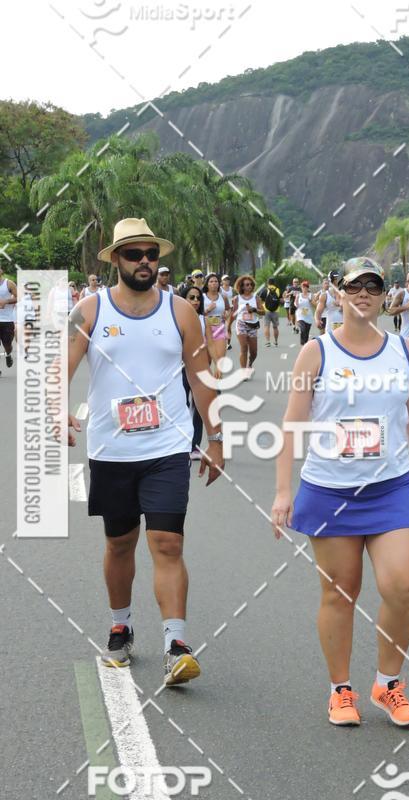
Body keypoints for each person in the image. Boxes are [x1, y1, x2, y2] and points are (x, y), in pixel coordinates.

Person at [271, 256, 409, 727]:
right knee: (341, 594)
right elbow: (292, 425)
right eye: (354, 285)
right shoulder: (317, 352)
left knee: (402, 586)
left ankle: (388, 684)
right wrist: (284, 492)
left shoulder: (402, 350)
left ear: (385, 296)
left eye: (373, 286)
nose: (364, 293)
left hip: (390, 489)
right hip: (330, 491)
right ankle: (340, 690)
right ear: (339, 293)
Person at [67, 218, 225, 684]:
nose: (144, 262)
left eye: (151, 254)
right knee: (119, 542)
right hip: (111, 448)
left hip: (168, 445)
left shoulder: (180, 312)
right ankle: (121, 626)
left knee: (167, 542)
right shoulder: (89, 309)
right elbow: (61, 364)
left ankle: (176, 644)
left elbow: (200, 377)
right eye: (133, 254)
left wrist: (215, 437)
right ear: (115, 259)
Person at [180, 285, 210, 460]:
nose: (196, 301)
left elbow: (214, 341)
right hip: (178, 370)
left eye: (198, 298)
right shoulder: (174, 319)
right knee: (181, 407)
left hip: (199, 369)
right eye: (191, 297)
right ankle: (180, 443)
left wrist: (217, 365)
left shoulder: (205, 319)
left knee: (198, 407)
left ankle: (195, 446)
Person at [229, 274, 265, 374]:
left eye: (250, 284)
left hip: (253, 325)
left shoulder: (256, 298)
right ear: (242, 286)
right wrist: (228, 327)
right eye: (246, 284)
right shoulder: (237, 298)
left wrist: (254, 310)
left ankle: (250, 363)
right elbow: (234, 314)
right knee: (244, 347)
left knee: (254, 352)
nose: (249, 286)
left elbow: (263, 312)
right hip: (241, 324)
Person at [203, 273, 230, 377]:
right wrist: (207, 310)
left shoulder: (223, 296)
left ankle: (217, 386)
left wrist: (226, 315)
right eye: (211, 281)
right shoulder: (202, 297)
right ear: (207, 284)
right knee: (207, 361)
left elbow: (228, 309)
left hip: (219, 329)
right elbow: (196, 313)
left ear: (219, 284)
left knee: (220, 360)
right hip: (205, 330)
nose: (214, 283)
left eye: (216, 281)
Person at [0, 265, 17, 371]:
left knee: (7, 345)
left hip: (7, 320)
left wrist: (6, 301)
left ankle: (8, 354)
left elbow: (18, 297)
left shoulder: (8, 283)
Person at [260, 277, 281, 347]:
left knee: (266, 326)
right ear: (274, 283)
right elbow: (281, 300)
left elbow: (260, 300)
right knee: (275, 327)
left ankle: (268, 342)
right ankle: (276, 342)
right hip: (276, 311)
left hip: (266, 311)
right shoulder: (277, 290)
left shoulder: (265, 290)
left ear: (267, 283)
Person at [295, 280, 316, 345]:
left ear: (308, 288)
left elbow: (315, 305)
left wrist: (311, 301)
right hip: (300, 316)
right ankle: (302, 342)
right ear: (301, 288)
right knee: (303, 329)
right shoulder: (299, 295)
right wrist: (296, 300)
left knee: (306, 331)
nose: (304, 288)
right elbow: (296, 305)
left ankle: (305, 343)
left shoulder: (311, 295)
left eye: (306, 287)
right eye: (303, 287)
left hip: (308, 316)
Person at [220, 275, 234, 350]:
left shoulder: (232, 289)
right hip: (222, 309)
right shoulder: (220, 289)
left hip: (230, 309)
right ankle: (221, 342)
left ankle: (228, 343)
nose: (227, 280)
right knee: (221, 326)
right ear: (222, 281)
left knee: (228, 326)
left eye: (228, 279)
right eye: (225, 279)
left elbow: (235, 298)